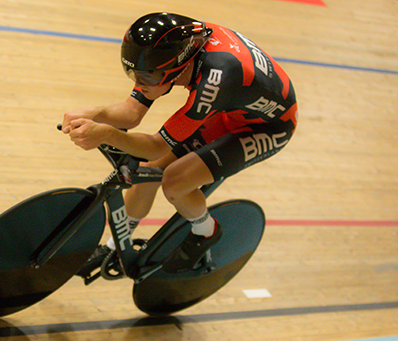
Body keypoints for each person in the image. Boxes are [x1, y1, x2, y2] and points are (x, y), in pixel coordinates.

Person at [61, 12, 298, 274]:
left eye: (147, 78)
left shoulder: (215, 79)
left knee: (174, 182)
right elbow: (132, 113)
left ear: (179, 68)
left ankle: (206, 231)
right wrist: (96, 114)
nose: (140, 85)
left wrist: (106, 134)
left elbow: (157, 144)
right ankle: (115, 246)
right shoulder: (172, 50)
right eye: (133, 75)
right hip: (231, 109)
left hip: (267, 127)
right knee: (149, 169)